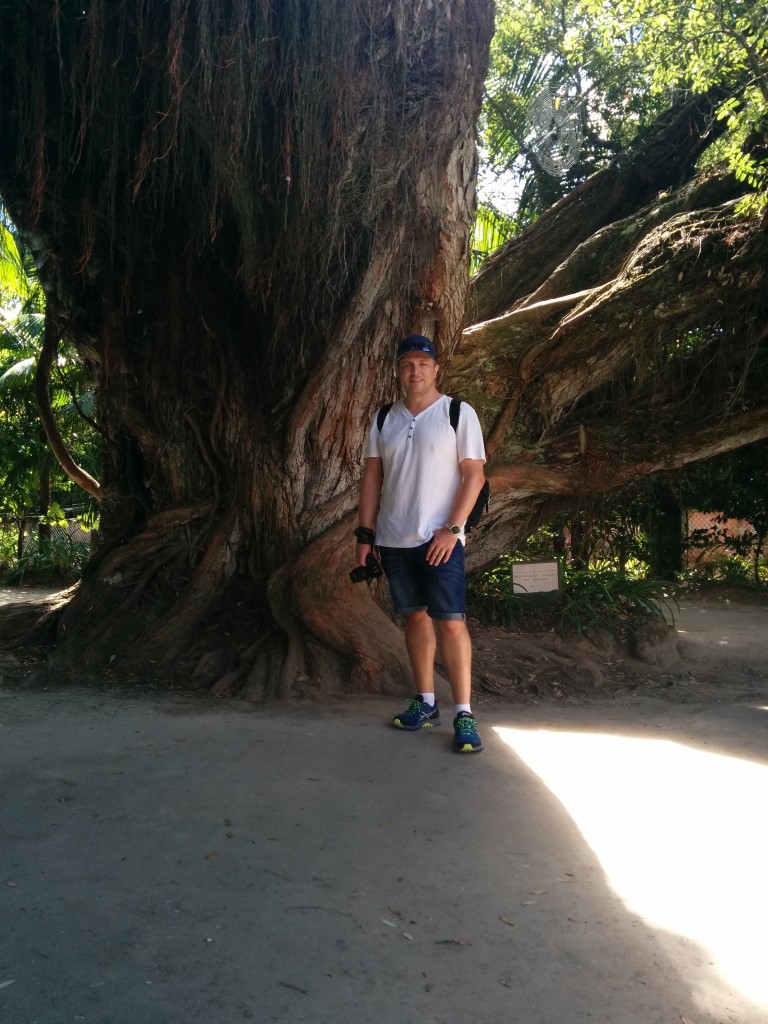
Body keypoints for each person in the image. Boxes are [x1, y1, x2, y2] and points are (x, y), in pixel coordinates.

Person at [355, 334, 487, 753]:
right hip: (394, 537)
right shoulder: (384, 418)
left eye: (423, 364)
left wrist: (452, 529)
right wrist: (365, 535)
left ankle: (464, 713)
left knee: (450, 621)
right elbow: (372, 477)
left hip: (441, 539)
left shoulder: (457, 413)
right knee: (414, 618)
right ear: (399, 370)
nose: (416, 371)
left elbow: (474, 475)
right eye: (408, 364)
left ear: (436, 369)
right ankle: (426, 701)